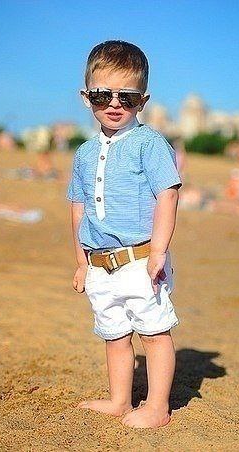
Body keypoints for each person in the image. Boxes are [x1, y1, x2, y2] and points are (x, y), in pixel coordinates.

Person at [67, 40, 182, 428]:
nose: (114, 104)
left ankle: (157, 406)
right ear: (87, 97)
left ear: (142, 101)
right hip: (99, 264)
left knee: (154, 332)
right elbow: (78, 208)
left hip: (141, 259)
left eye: (127, 97)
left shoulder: (150, 144)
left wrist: (159, 251)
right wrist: (81, 262)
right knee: (114, 334)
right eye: (103, 95)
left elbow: (167, 195)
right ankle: (120, 400)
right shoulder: (84, 153)